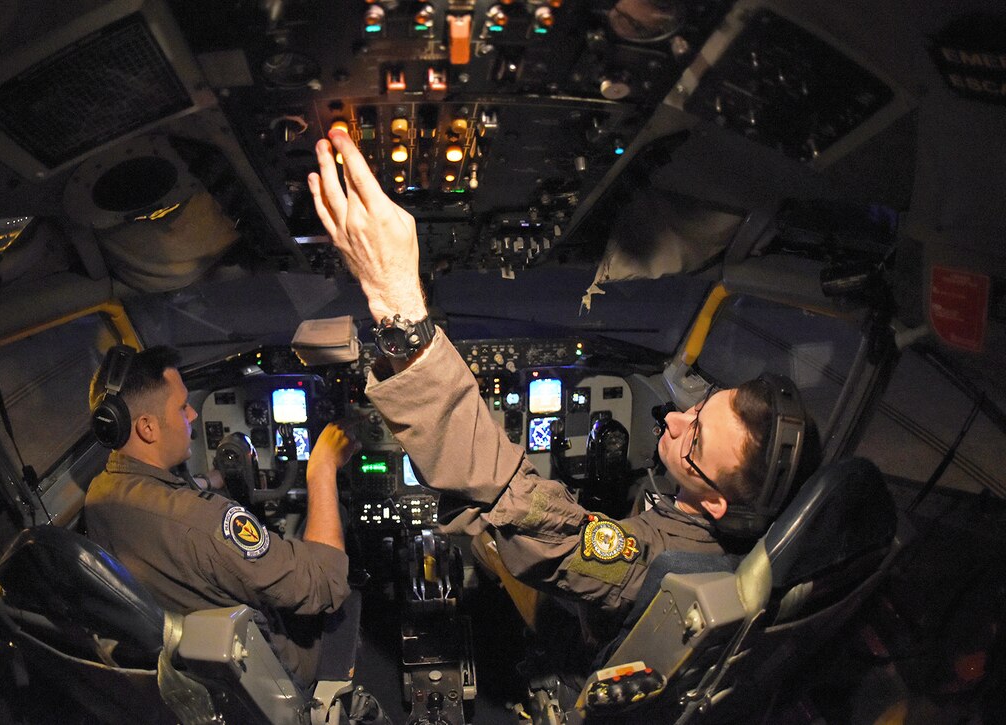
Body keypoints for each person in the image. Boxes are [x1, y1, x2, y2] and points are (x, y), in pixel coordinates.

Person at [307, 129, 823, 665]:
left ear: (717, 502)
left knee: (489, 538)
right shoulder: (715, 537)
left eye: (695, 438)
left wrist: (399, 309)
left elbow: (526, 511)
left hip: (577, 635)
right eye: (699, 406)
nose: (673, 419)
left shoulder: (653, 568)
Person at [84, 345, 355, 686]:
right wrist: (322, 469)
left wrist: (216, 478)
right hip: (269, 673)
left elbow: (168, 498)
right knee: (332, 532)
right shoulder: (206, 522)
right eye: (183, 407)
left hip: (192, 670)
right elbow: (325, 583)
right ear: (147, 428)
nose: (193, 416)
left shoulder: (100, 494)